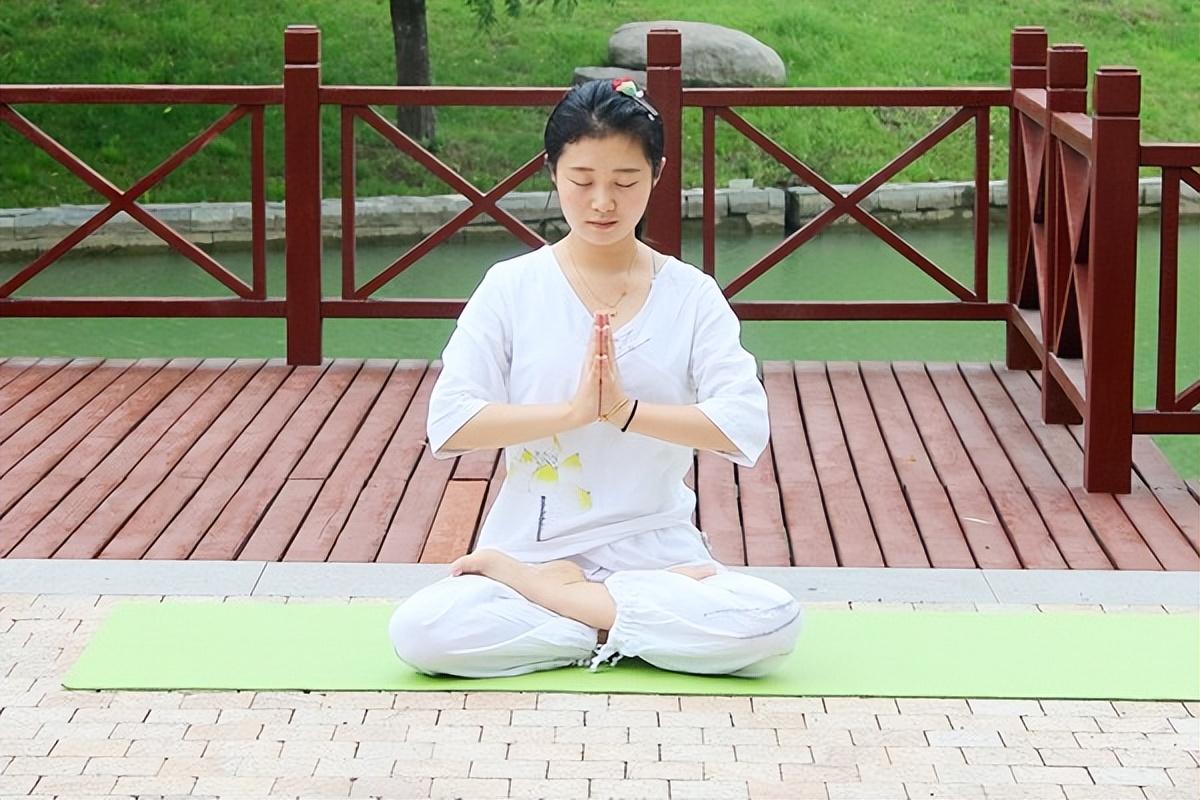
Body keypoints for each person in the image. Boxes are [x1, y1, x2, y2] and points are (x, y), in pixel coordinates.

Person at [388, 77, 803, 678]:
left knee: (773, 621)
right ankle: (630, 629)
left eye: (625, 182)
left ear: (657, 175)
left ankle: (569, 610)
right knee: (423, 632)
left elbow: (742, 426)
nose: (603, 202)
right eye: (582, 181)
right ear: (552, 173)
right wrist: (574, 413)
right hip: (531, 547)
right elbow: (451, 422)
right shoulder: (511, 287)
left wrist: (626, 413)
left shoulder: (692, 295)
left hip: (658, 553)